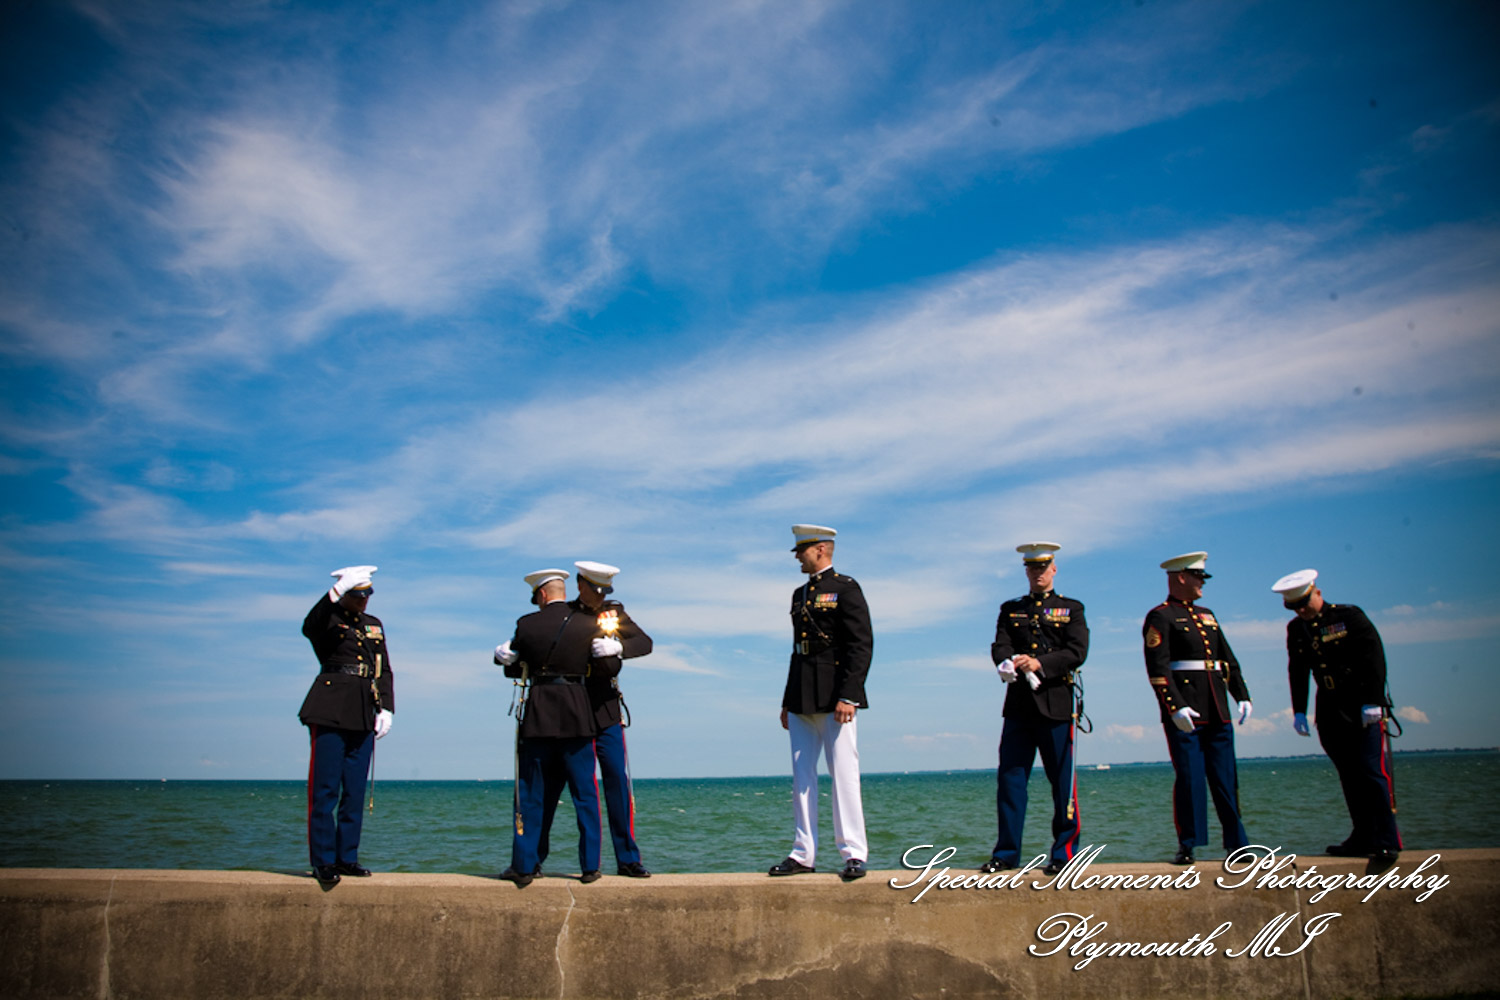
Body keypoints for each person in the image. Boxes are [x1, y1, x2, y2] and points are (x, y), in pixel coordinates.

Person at [1272, 568, 1401, 866]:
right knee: (1348, 775)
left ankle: (1386, 840)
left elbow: (1374, 658)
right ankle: (1363, 835)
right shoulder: (1296, 629)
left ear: (1317, 592)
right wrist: (1299, 710)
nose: (1301, 611)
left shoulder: (1349, 617)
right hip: (1329, 708)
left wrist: (1374, 701)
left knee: (1371, 772)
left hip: (1360, 706)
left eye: (1304, 603)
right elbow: (1298, 671)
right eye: (1294, 607)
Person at [537, 561, 654, 877]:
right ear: (580, 586)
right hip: (570, 710)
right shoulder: (566, 614)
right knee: (557, 786)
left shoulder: (614, 612)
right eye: (595, 590)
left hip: (604, 710)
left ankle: (628, 858)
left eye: (605, 591)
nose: (600, 597)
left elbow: (645, 644)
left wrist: (619, 646)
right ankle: (536, 858)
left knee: (617, 781)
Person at [770, 524, 873, 881]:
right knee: (802, 778)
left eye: (802, 550)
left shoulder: (846, 588)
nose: (797, 556)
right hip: (801, 694)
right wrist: (787, 700)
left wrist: (850, 695)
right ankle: (803, 853)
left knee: (844, 775)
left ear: (821, 550)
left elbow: (861, 645)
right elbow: (797, 650)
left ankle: (854, 853)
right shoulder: (799, 594)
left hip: (835, 696)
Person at [493, 569, 606, 887]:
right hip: (576, 712)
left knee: (531, 795)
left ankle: (525, 866)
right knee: (585, 795)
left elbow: (513, 664)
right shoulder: (587, 622)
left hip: (540, 712)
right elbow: (605, 666)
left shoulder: (526, 624)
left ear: (542, 594)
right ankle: (590, 866)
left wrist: (497, 657)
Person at [982, 542, 1089, 877]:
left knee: (1062, 782)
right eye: (1032, 568)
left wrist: (1039, 662)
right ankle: (1006, 853)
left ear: (1054, 569)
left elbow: (1077, 651)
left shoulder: (1071, 609)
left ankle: (1065, 853)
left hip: (1056, 705)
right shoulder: (1010, 609)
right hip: (1018, 707)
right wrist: (1005, 661)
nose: (1038, 573)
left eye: (1043, 567)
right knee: (1011, 781)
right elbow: (1000, 643)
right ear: (1026, 571)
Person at [1143, 552, 1252, 865]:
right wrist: (1175, 706)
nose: (1202, 583)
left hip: (1217, 708)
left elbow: (1227, 660)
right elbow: (1158, 668)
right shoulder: (1160, 617)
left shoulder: (1208, 615)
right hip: (1186, 713)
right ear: (1180, 577)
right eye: (1197, 577)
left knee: (1226, 778)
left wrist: (1241, 695)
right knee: (1190, 779)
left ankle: (1238, 844)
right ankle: (1188, 844)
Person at [299, 564, 395, 886]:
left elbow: (384, 670)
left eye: (367, 595)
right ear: (344, 596)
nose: (364, 602)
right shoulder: (328, 620)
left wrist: (387, 708)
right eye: (357, 596)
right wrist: (334, 594)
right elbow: (308, 626)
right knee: (325, 791)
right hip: (330, 711)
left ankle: (347, 857)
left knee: (354, 792)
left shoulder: (373, 625)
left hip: (363, 712)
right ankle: (323, 861)